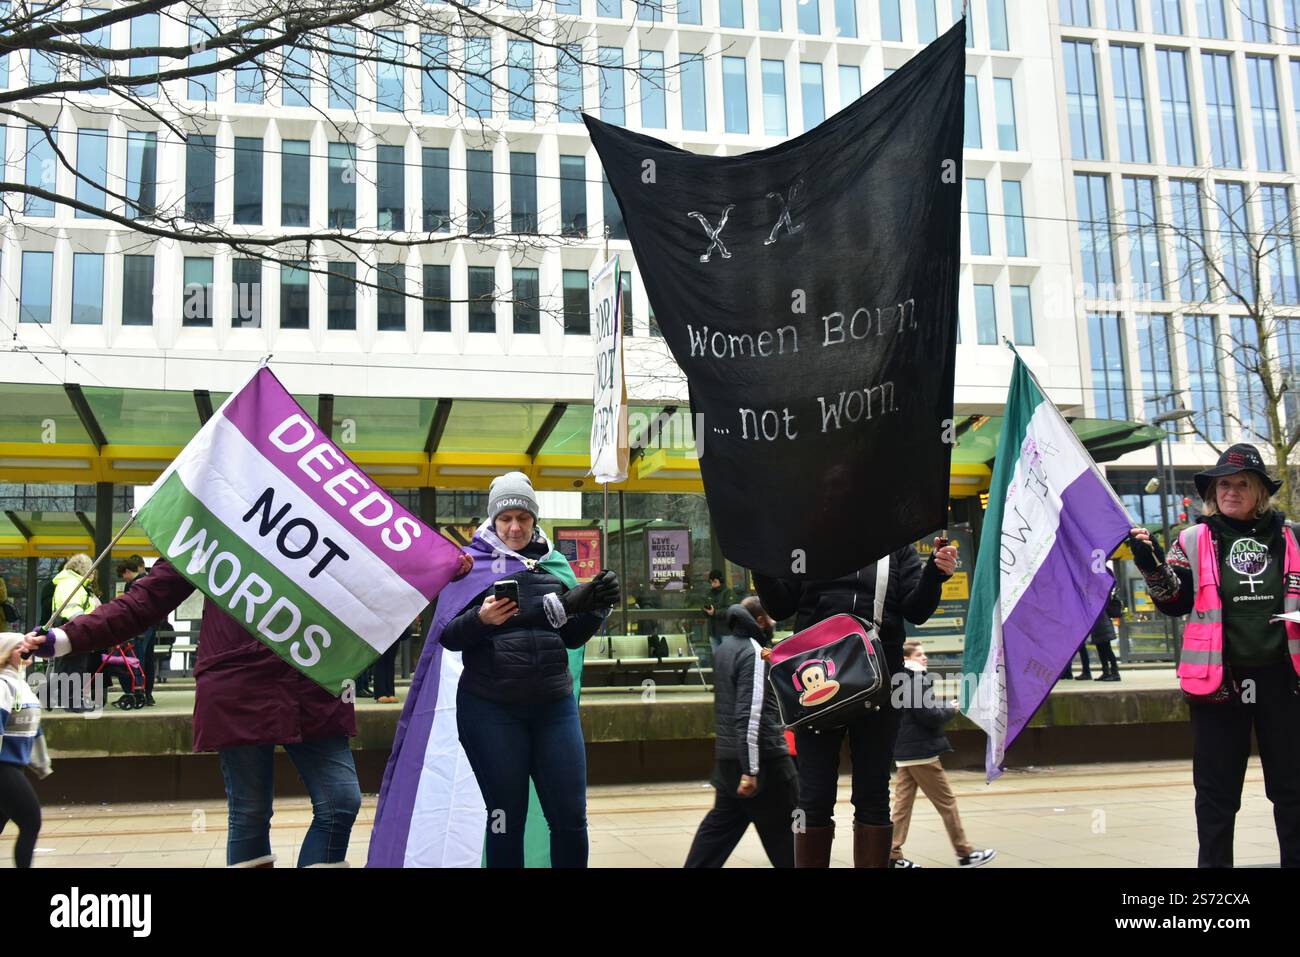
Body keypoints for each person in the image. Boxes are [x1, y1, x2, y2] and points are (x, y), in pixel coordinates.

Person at [22, 547, 469, 867]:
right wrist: (65, 637)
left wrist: (440, 563)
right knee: (251, 811)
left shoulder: (329, 524)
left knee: (341, 801)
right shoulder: (213, 525)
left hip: (316, 681)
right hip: (239, 684)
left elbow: (385, 573)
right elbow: (144, 601)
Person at [1128, 443, 1300, 868]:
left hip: (1286, 679)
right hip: (1219, 682)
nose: (1231, 491)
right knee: (1216, 794)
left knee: (1294, 791)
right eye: (1224, 484)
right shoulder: (1190, 539)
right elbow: (1174, 601)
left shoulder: (1294, 535)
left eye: (1242, 483)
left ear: (1261, 491)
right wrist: (1150, 564)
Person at [439, 472, 620, 868]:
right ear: (493, 520)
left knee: (571, 818)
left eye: (523, 516)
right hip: (491, 709)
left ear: (535, 519)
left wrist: (597, 606)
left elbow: (571, 637)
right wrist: (482, 620)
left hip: (553, 707)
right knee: (506, 817)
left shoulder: (553, 565)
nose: (515, 527)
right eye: (506, 518)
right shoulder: (470, 565)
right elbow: (446, 636)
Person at [754, 537, 956, 868]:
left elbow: (916, 610)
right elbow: (780, 606)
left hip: (880, 682)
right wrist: (759, 565)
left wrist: (934, 573)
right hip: (814, 681)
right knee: (813, 796)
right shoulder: (809, 542)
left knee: (873, 796)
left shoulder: (896, 547)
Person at [685, 596, 798, 868]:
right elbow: (750, 713)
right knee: (790, 833)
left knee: (718, 832)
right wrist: (751, 770)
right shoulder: (755, 653)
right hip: (764, 760)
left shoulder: (725, 649)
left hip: (729, 758)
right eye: (770, 618)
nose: (773, 623)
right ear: (760, 621)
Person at [890, 640, 996, 869]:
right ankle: (965, 853)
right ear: (908, 659)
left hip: (906, 750)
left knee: (901, 806)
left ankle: (892, 855)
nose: (924, 658)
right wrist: (950, 708)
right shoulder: (916, 679)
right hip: (921, 752)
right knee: (947, 803)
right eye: (919, 654)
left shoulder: (902, 679)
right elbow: (928, 715)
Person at [0, 633, 51, 868]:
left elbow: (35, 728)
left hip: (15, 765)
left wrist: (41, 762)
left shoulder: (21, 683)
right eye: (17, 647)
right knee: (31, 821)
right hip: (4, 766)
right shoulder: (3, 684)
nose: (25, 650)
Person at [48, 554, 101, 712]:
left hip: (70, 626)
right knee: (76, 665)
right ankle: (74, 703)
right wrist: (86, 624)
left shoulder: (70, 583)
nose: (92, 574)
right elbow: (73, 608)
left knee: (66, 666)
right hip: (75, 627)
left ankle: (49, 696)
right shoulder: (72, 584)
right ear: (84, 569)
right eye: (91, 570)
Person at [116, 556, 158, 706]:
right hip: (151, 626)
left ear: (127, 571)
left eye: (123, 575)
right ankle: (148, 693)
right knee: (148, 660)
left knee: (137, 660)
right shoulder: (149, 581)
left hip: (139, 628)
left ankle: (138, 691)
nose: (123, 578)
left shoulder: (133, 585)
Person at [1090, 584, 1122, 682]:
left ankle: (1115, 673)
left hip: (1102, 625)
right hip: (1098, 626)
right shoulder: (1095, 596)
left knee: (1107, 650)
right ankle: (1106, 672)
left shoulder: (1099, 596)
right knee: (1101, 650)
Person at [702, 569, 733, 653]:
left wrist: (715, 612)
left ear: (720, 581)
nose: (713, 584)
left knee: (727, 656)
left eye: (715, 581)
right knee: (716, 657)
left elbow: (729, 610)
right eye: (711, 582)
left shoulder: (728, 593)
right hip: (713, 631)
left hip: (725, 631)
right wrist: (706, 610)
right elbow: (705, 608)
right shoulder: (709, 594)